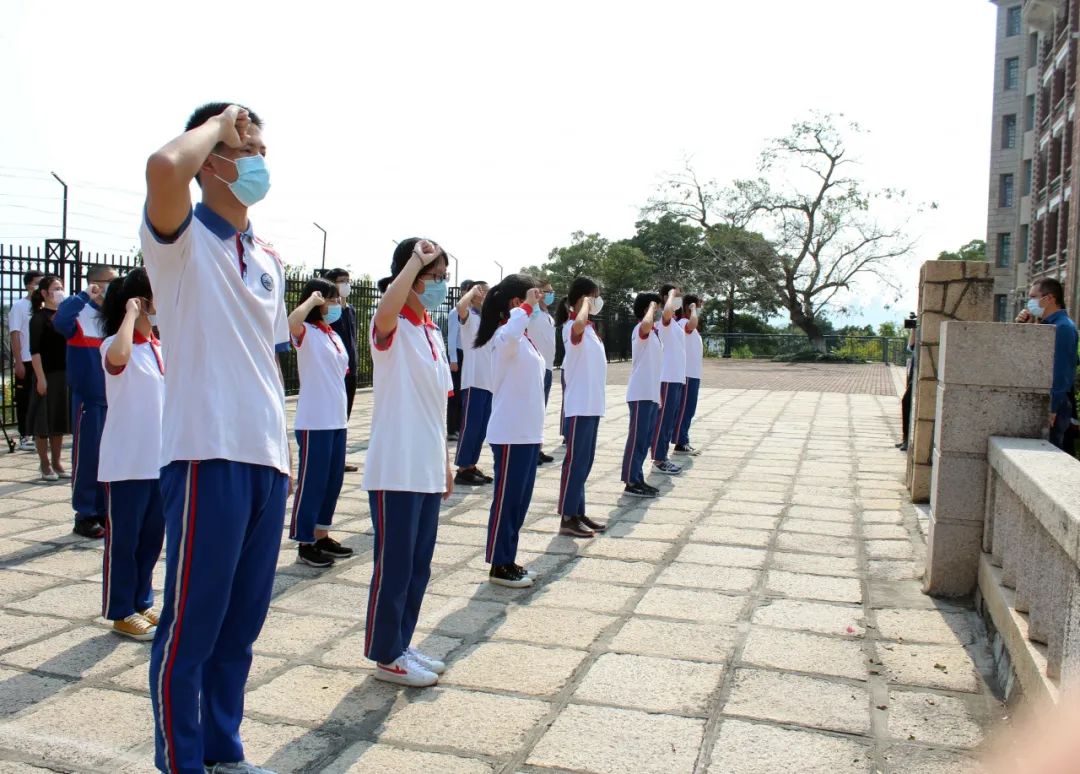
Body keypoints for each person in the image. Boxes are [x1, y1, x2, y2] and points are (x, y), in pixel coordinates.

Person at [142, 102, 291, 774]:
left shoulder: (267, 256)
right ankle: (182, 760)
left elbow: (265, 359)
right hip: (207, 452)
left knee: (241, 624)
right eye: (243, 147)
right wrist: (215, 128)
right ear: (209, 162)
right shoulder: (180, 241)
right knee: (193, 624)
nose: (257, 158)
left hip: (265, 457)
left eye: (260, 147)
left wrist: (284, 452)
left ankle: (224, 750)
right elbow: (162, 167)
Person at [364, 237, 454, 688]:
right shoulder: (392, 325)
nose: (440, 285)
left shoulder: (432, 331)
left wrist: (446, 461)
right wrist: (415, 258)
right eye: (434, 277)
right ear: (411, 277)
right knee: (395, 566)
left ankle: (402, 642)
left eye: (443, 277)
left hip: (427, 464)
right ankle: (386, 654)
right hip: (396, 465)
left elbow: (439, 405)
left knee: (419, 565)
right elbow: (385, 313)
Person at [97, 267, 166, 642]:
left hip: (158, 462)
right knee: (124, 541)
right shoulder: (114, 343)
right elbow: (119, 356)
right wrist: (129, 314)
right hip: (126, 462)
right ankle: (121, 610)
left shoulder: (158, 347)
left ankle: (142, 601)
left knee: (152, 538)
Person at [476, 274, 545, 587]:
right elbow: (512, 332)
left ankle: (509, 558)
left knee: (519, 502)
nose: (538, 302)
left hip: (528, 433)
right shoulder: (504, 335)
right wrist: (526, 308)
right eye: (533, 296)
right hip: (510, 433)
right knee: (507, 501)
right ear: (516, 302)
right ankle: (498, 564)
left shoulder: (523, 338)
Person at [288, 278, 354, 568]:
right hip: (314, 420)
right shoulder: (306, 331)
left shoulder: (333, 335)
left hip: (336, 418)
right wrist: (312, 301)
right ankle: (305, 542)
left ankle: (321, 534)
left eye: (337, 299)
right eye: (331, 299)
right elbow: (290, 323)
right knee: (312, 481)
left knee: (332, 480)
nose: (336, 304)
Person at [54, 264, 118, 539]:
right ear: (96, 284)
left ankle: (104, 511)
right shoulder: (79, 313)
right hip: (89, 400)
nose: (114, 286)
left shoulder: (113, 316)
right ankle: (85, 514)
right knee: (88, 457)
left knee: (109, 457)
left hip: (114, 399)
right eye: (110, 281)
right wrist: (83, 296)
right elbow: (60, 321)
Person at [557, 277, 609, 538]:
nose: (597, 301)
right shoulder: (571, 326)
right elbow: (577, 324)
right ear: (583, 298)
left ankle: (578, 511)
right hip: (579, 405)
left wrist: (586, 307)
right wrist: (585, 304)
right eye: (594, 296)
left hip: (592, 404)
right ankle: (567, 517)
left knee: (585, 462)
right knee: (575, 462)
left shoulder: (590, 329)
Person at [1016, 278, 1079, 452]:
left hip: (1054, 405)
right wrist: (1021, 328)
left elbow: (1061, 371)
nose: (1029, 302)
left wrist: (1052, 407)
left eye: (1033, 297)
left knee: (1050, 453)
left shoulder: (1062, 327)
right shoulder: (1047, 325)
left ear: (1049, 298)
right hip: (1047, 401)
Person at [27, 275, 70, 483]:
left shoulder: (64, 315)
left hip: (63, 373)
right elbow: (35, 351)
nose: (60, 291)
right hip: (46, 373)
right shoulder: (38, 318)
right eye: (56, 288)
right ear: (44, 293)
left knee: (58, 420)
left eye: (61, 287)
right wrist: (40, 378)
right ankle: (44, 463)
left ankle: (57, 461)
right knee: (43, 421)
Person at [622, 293, 663, 498]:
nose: (658, 311)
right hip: (640, 393)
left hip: (651, 393)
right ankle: (631, 481)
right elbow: (646, 324)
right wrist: (651, 308)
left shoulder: (654, 333)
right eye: (656, 307)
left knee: (645, 440)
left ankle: (637, 477)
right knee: (637, 439)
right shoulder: (640, 329)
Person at [454, 280, 494, 486]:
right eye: (483, 291)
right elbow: (460, 307)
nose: (486, 294)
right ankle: (462, 468)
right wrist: (471, 292)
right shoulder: (469, 317)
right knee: (470, 427)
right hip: (473, 381)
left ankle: (471, 465)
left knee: (481, 428)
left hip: (489, 382)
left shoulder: (489, 320)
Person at [322, 268, 360, 473]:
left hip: (350, 370)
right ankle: (327, 459)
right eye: (341, 281)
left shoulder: (350, 310)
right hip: (334, 371)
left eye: (348, 280)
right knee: (331, 416)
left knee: (344, 416)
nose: (346, 284)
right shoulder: (328, 311)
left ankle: (339, 458)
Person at [650, 285, 685, 475]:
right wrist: (671, 295)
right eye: (676, 295)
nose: (679, 298)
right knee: (663, 420)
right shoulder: (665, 322)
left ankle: (662, 455)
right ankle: (659, 458)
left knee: (669, 420)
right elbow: (667, 312)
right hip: (667, 378)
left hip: (676, 378)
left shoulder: (674, 323)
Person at [8, 270, 43, 452]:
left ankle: (39, 434)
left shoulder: (43, 307)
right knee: (25, 399)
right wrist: (18, 361)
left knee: (41, 399)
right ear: (29, 285)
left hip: (42, 361)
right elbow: (14, 334)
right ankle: (24, 435)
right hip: (26, 360)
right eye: (38, 282)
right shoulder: (19, 307)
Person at [527, 278, 557, 465]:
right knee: (533, 411)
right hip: (535, 368)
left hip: (548, 367)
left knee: (540, 411)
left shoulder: (547, 315)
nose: (551, 294)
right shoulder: (533, 312)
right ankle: (530, 450)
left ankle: (537, 447)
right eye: (547, 291)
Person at [674, 294, 703, 456]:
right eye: (697, 306)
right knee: (685, 409)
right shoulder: (684, 322)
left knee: (689, 409)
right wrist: (693, 310)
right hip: (687, 374)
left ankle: (683, 438)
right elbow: (692, 323)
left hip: (693, 373)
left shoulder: (687, 324)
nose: (699, 309)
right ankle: (680, 441)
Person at [446, 280, 474, 441]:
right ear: (462, 291)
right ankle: (452, 429)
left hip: (468, 354)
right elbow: (451, 337)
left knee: (465, 392)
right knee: (455, 393)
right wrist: (453, 360)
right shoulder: (455, 312)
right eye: (468, 290)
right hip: (458, 354)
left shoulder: (472, 313)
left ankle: (460, 425)